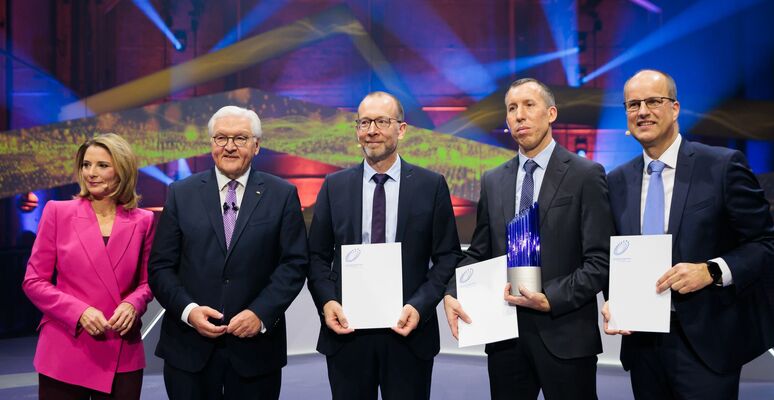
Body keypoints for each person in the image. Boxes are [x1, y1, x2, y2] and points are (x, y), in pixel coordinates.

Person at [602, 69, 774, 399]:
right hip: (643, 344)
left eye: (654, 101)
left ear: (675, 108)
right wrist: (612, 298)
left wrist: (712, 271)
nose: (642, 111)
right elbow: (611, 254)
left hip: (707, 343)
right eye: (633, 104)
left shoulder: (722, 165)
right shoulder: (616, 181)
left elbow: (765, 245)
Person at [443, 78, 614, 399]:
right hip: (505, 337)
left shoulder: (585, 174)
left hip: (565, 334)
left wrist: (551, 297)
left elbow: (601, 260)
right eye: (511, 108)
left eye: (528, 105)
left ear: (551, 113)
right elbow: (479, 251)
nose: (519, 115)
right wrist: (452, 291)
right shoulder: (494, 180)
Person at [307, 91, 462, 400]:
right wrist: (327, 303)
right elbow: (316, 257)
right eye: (364, 122)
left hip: (409, 332)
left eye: (381, 121)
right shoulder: (333, 186)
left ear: (401, 129)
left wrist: (419, 306)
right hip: (347, 332)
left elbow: (447, 257)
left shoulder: (431, 186)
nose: (371, 130)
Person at [147, 105, 308, 400]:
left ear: (256, 145)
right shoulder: (180, 193)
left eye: (240, 138)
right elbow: (160, 267)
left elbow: (294, 264)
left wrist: (260, 314)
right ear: (211, 144)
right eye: (221, 138)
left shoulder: (281, 194)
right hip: (189, 349)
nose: (230, 147)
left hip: (255, 351)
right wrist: (189, 311)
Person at [23, 133, 155, 399]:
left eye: (102, 165)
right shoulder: (57, 212)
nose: (91, 173)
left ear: (122, 170)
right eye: (86, 165)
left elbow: (149, 281)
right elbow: (34, 281)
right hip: (66, 345)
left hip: (121, 345)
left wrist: (133, 304)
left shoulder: (144, 220)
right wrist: (79, 312)